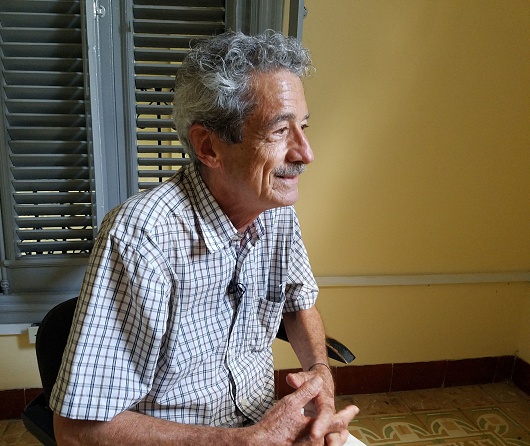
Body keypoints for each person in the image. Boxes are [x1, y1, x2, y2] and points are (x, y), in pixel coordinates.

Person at [49, 30, 359, 445]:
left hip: (258, 430)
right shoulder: (140, 237)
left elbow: (299, 303)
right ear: (208, 145)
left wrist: (319, 374)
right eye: (280, 131)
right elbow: (75, 431)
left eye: (303, 126)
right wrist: (242, 442)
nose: (305, 153)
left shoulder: (276, 213)